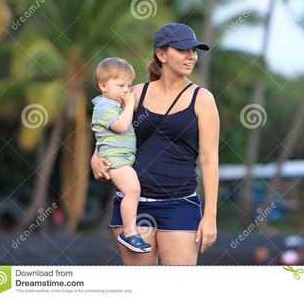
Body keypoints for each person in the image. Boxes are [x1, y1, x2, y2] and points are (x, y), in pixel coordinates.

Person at [91, 23, 219, 265]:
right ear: (162, 55)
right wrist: (96, 155)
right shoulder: (135, 93)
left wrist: (210, 214)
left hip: (180, 204)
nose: (192, 56)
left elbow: (209, 159)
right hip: (134, 207)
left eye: (194, 51)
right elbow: (109, 128)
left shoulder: (202, 99)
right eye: (183, 50)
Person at [91, 58, 151, 253]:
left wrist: (128, 103)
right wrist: (129, 105)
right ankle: (130, 232)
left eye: (129, 85)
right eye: (120, 85)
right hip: (115, 160)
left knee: (132, 191)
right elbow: (121, 126)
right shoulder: (103, 106)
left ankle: (130, 230)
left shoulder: (115, 103)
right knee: (132, 191)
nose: (126, 90)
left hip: (124, 159)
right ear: (103, 85)